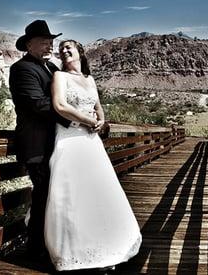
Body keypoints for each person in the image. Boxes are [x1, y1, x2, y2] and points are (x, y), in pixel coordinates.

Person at [44, 40, 142, 272]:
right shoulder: (60, 76)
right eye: (61, 49)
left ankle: (106, 244)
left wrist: (101, 121)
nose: (64, 51)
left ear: (80, 52)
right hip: (70, 138)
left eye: (69, 47)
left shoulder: (90, 79)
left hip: (91, 141)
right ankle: (76, 251)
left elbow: (98, 107)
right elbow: (59, 105)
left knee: (97, 190)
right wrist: (88, 121)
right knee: (73, 192)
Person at [9, 20, 71, 257]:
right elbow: (37, 103)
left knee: (58, 197)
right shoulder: (22, 69)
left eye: (51, 42)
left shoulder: (53, 68)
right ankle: (35, 249)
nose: (49, 46)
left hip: (57, 145)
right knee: (43, 196)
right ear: (29, 44)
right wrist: (75, 116)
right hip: (36, 146)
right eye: (44, 42)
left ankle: (55, 245)